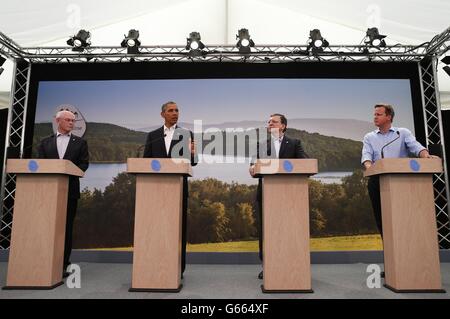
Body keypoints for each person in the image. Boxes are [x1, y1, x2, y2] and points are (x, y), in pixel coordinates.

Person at [361, 103, 434, 277]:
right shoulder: (369, 136)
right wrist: (369, 167)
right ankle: (393, 264)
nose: (375, 117)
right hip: (377, 182)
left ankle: (410, 262)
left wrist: (426, 155)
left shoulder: (402, 133)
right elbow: (366, 157)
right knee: (383, 223)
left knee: (405, 223)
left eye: (379, 114)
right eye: (374, 114)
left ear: (389, 117)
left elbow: (418, 148)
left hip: (403, 185)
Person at [249, 113, 308, 279]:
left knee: (288, 229)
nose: (270, 124)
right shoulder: (262, 145)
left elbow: (304, 162)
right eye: (268, 122)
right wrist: (252, 167)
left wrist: (286, 167)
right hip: (266, 194)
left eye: (274, 122)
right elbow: (254, 164)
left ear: (283, 126)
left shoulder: (295, 143)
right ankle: (267, 266)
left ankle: (290, 264)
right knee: (266, 231)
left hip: (290, 198)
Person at [143, 101, 197, 278]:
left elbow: (194, 162)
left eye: (177, 110)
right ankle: (154, 264)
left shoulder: (187, 134)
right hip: (155, 192)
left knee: (178, 229)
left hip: (179, 189)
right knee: (155, 228)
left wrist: (193, 153)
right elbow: (146, 162)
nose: (175, 113)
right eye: (171, 111)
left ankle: (177, 269)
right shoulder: (153, 136)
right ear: (162, 114)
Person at [37, 110, 89, 278]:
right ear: (58, 121)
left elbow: (83, 164)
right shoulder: (45, 143)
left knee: (65, 229)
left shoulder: (81, 143)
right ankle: (44, 262)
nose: (71, 123)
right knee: (45, 227)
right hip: (48, 194)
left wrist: (67, 171)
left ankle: (63, 265)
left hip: (70, 192)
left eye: (73, 121)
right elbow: (41, 166)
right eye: (68, 120)